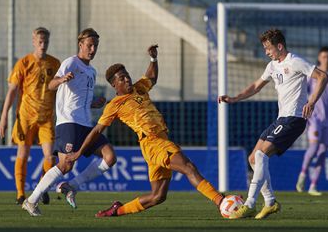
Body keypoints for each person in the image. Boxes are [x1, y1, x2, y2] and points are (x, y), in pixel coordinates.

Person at [65, 44, 225, 218]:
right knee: (188, 167)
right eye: (122, 78)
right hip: (153, 142)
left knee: (158, 197)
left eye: (127, 76)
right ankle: (221, 202)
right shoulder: (114, 106)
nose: (127, 80)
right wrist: (79, 152)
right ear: (114, 84)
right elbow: (97, 130)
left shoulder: (138, 88)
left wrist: (153, 59)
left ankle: (116, 210)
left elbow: (152, 77)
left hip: (157, 142)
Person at [218, 29, 328, 219]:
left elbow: (323, 77)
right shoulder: (271, 66)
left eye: (268, 48)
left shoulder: (295, 61)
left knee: (261, 155)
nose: (266, 52)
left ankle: (250, 204)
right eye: (264, 48)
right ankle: (270, 202)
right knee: (253, 158)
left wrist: (311, 102)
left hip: (294, 119)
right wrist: (235, 98)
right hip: (281, 119)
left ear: (279, 46)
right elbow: (255, 86)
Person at [22, 28, 116, 216]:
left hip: (86, 124)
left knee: (110, 157)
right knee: (66, 165)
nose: (92, 49)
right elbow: (51, 84)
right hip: (69, 122)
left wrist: (94, 103)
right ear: (81, 45)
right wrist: (62, 79)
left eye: (95, 46)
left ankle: (71, 186)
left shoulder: (92, 70)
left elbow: (79, 98)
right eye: (89, 45)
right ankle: (31, 200)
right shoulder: (71, 62)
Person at [0, 27, 60, 205]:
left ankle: (42, 186)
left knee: (50, 157)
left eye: (46, 42)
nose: (43, 45)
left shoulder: (55, 63)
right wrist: (3, 117)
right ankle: (20, 193)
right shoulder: (24, 63)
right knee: (23, 154)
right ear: (34, 41)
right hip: (25, 117)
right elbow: (12, 91)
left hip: (46, 117)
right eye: (40, 42)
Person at [296, 46, 328, 196]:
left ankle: (313, 186)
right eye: (324, 56)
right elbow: (303, 94)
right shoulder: (312, 75)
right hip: (314, 118)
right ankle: (303, 174)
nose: (327, 59)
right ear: (319, 57)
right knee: (314, 147)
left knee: (323, 151)